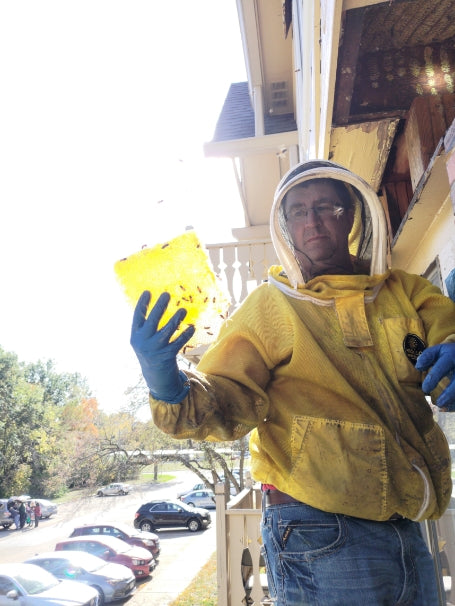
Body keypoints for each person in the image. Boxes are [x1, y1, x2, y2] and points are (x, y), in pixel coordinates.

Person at [131, 160, 455, 605]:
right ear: (285, 227)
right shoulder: (271, 306)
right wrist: (166, 382)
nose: (313, 221)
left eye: (326, 207)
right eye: (299, 212)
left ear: (353, 216)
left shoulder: (408, 292)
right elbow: (226, 400)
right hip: (318, 528)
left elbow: (443, 336)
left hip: (407, 522)